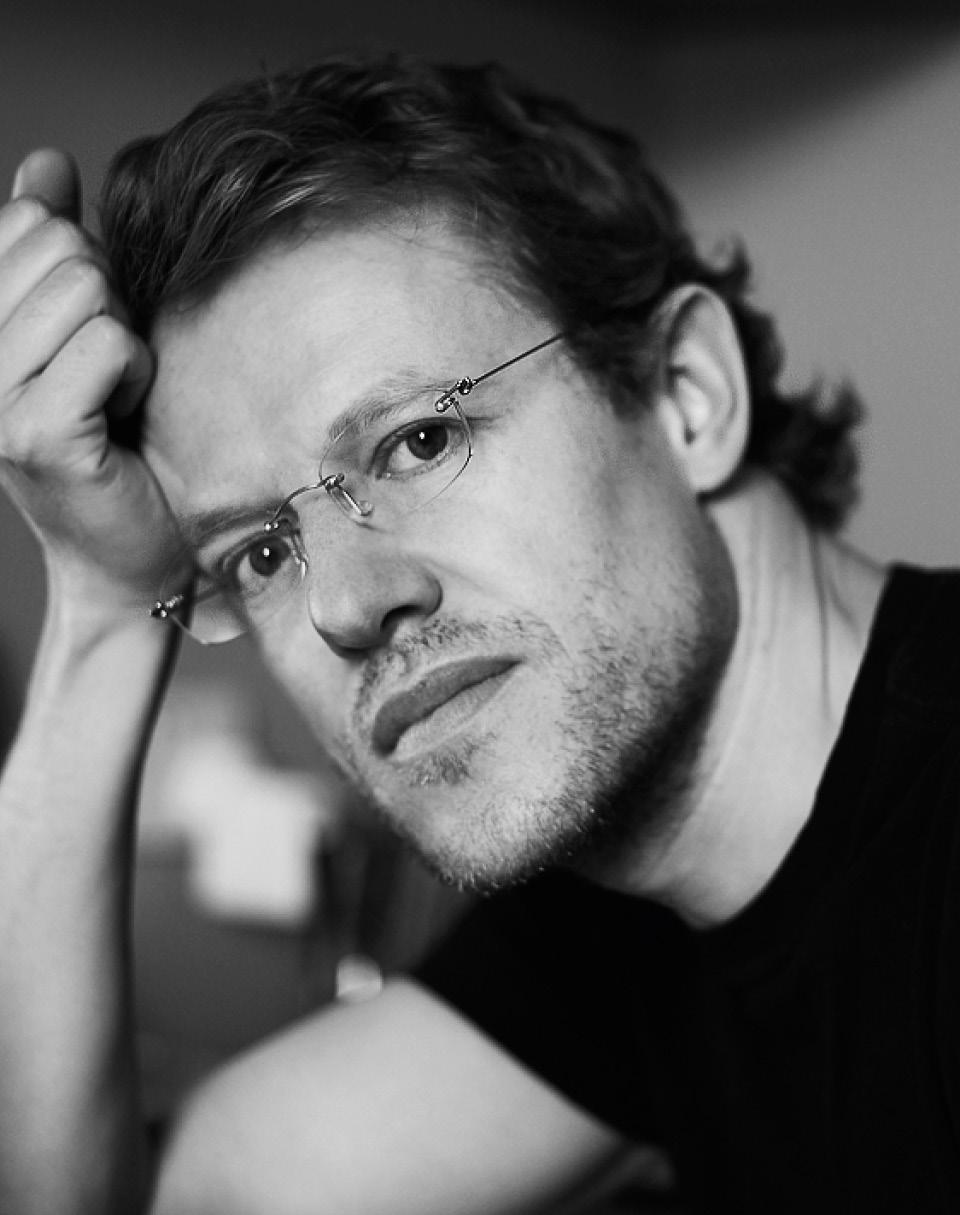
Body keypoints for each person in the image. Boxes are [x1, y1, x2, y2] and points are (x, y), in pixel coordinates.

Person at [0, 51, 956, 1215]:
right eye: (260, 554)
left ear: (686, 394)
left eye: (418, 443)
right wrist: (105, 605)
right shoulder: (624, 904)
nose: (344, 604)